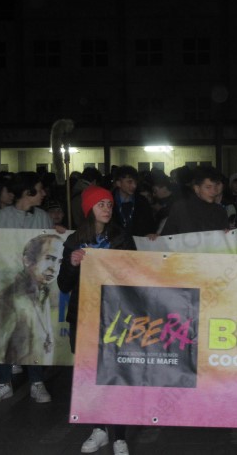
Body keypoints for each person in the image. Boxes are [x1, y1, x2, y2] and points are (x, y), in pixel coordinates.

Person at [59, 185, 138, 455]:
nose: (107, 209)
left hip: (115, 315)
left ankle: (119, 436)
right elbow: (63, 285)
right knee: (89, 375)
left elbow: (135, 274)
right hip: (84, 315)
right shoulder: (74, 240)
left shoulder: (121, 237)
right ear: (88, 209)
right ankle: (99, 429)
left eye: (109, 204)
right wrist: (72, 264)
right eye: (100, 204)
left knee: (116, 374)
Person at [0, 171, 64, 405]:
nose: (43, 193)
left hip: (36, 290)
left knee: (35, 332)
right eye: (39, 189)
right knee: (5, 332)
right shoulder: (0, 218)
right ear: (28, 191)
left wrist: (58, 233)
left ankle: (36, 382)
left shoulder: (43, 218)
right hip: (8, 284)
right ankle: (3, 383)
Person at [160, 166, 229, 235]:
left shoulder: (220, 211)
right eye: (208, 187)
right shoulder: (180, 208)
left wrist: (227, 234)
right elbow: (167, 236)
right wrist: (157, 238)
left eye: (215, 186)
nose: (214, 191)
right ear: (197, 188)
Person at [111, 165, 156, 236]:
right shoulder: (108, 201)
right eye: (129, 182)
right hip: (114, 242)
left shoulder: (142, 201)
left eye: (135, 182)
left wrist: (150, 234)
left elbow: (150, 225)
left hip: (138, 242)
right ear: (118, 183)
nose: (134, 186)